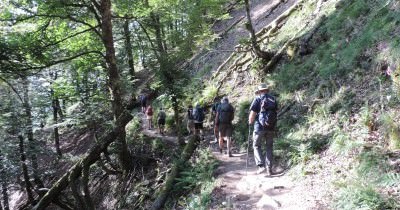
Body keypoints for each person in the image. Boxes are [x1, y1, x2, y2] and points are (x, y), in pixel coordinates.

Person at [248, 83, 278, 175]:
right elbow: (276, 112)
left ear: (260, 91)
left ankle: (261, 166)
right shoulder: (273, 99)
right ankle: (269, 169)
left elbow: (252, 114)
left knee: (256, 146)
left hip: (259, 127)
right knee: (269, 147)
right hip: (271, 127)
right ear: (267, 90)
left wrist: (250, 122)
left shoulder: (258, 99)